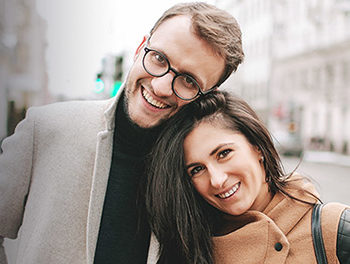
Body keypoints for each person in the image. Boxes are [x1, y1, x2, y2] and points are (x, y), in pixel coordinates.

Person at [0, 3, 244, 264]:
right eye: (159, 58)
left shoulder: (202, 171)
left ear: (208, 96)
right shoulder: (47, 129)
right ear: (141, 47)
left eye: (188, 81)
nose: (161, 86)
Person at [146, 91, 350, 263]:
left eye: (223, 153)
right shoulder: (190, 248)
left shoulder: (334, 230)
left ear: (257, 147)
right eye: (197, 169)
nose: (216, 180)